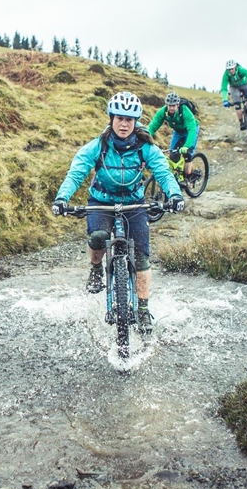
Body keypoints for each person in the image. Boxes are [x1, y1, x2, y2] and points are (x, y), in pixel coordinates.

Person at [50, 91, 184, 331]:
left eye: (129, 120)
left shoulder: (146, 147)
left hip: (134, 203)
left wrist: (174, 195)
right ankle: (95, 270)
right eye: (120, 118)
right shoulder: (98, 145)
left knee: (142, 256)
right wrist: (62, 198)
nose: (124, 124)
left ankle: (143, 309)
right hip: (102, 200)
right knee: (98, 237)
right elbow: (77, 172)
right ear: (111, 118)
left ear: (135, 122)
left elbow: (163, 172)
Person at [147, 92, 199, 179]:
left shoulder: (185, 111)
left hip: (191, 130)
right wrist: (145, 138)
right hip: (178, 132)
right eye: (169, 105)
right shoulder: (163, 112)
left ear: (177, 105)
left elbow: (192, 130)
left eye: (173, 105)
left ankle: (189, 176)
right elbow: (153, 126)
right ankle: (178, 176)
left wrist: (186, 146)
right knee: (173, 155)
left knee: (187, 153)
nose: (171, 108)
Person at [220, 59, 247, 130]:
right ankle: (241, 123)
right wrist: (225, 100)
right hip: (234, 87)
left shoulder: (241, 70)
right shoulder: (226, 75)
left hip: (245, 84)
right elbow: (224, 88)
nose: (230, 71)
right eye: (229, 69)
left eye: (232, 69)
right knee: (237, 104)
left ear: (235, 67)